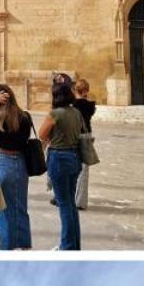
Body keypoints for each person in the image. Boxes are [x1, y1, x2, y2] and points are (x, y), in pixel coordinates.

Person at [0, 84, 34, 249]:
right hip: (20, 163)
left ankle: (5, 246)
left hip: (2, 161)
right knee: (20, 206)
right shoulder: (25, 116)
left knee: (1, 208)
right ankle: (23, 245)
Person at [38, 82, 86, 249]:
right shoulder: (76, 112)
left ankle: (66, 247)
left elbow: (41, 134)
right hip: (74, 157)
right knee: (70, 204)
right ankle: (74, 245)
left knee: (64, 204)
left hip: (59, 158)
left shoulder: (55, 114)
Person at [71, 77, 98, 211]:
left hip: (74, 136)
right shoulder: (90, 105)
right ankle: (81, 201)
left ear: (75, 90)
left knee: (71, 167)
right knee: (84, 170)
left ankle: (68, 197)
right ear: (86, 91)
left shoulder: (72, 106)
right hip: (86, 136)